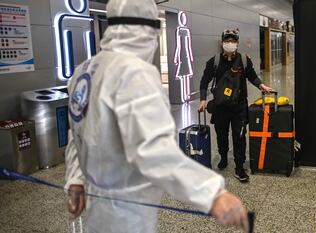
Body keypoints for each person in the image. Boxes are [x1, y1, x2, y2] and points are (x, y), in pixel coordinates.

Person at [64, 0, 249, 232]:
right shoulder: (134, 74)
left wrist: (75, 180)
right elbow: (155, 152)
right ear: (149, 28)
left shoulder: (84, 71)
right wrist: (212, 194)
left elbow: (77, 134)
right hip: (127, 211)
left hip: (93, 203)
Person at [198, 29, 273, 182]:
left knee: (239, 136)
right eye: (227, 40)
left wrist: (261, 86)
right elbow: (204, 81)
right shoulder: (215, 61)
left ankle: (239, 167)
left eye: (233, 41)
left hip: (239, 106)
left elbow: (252, 76)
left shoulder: (244, 60)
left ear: (237, 43)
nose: (230, 43)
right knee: (221, 135)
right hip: (221, 107)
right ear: (222, 42)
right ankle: (224, 157)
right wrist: (202, 99)